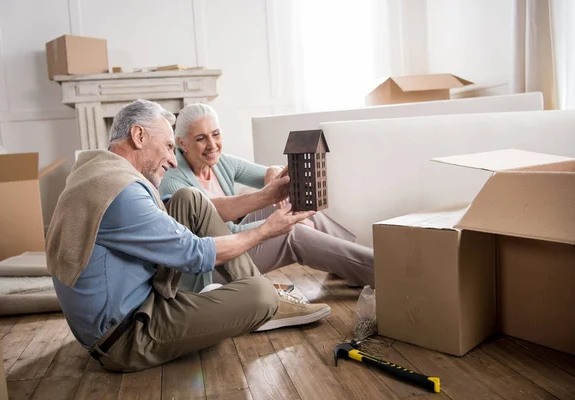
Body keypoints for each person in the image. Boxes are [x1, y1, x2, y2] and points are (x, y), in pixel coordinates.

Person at [45, 99, 331, 373]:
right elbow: (195, 254)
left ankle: (263, 302)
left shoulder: (99, 173)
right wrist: (267, 230)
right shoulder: (122, 193)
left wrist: (266, 196)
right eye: (169, 146)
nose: (172, 159)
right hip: (127, 337)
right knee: (262, 294)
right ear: (138, 135)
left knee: (189, 198)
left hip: (136, 303)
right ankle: (267, 304)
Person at [159, 103, 374, 288]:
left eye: (215, 134)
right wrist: (279, 224)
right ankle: (378, 270)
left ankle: (353, 263)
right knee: (292, 233)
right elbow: (220, 236)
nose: (212, 145)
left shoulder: (219, 162)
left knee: (296, 201)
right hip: (210, 268)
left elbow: (271, 175)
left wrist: (271, 170)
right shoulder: (174, 182)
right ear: (182, 143)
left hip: (236, 244)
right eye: (200, 138)